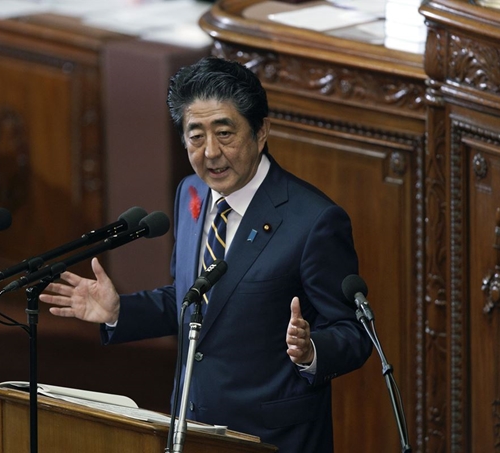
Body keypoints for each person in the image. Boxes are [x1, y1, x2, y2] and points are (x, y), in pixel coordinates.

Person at [39, 56, 372, 452]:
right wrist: (118, 312)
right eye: (196, 136)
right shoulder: (191, 193)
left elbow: (354, 333)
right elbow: (195, 301)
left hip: (273, 439)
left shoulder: (314, 220)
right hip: (192, 428)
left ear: (261, 131)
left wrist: (311, 350)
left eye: (225, 133)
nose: (210, 152)